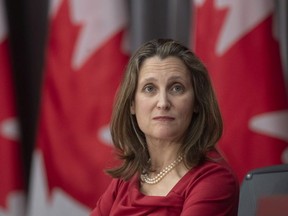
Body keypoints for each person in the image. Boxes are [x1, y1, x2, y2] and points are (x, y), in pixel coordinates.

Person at [91, 39, 239, 216]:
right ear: (132, 104)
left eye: (176, 88)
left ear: (197, 103)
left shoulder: (214, 179)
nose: (163, 103)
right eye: (149, 88)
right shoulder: (126, 178)